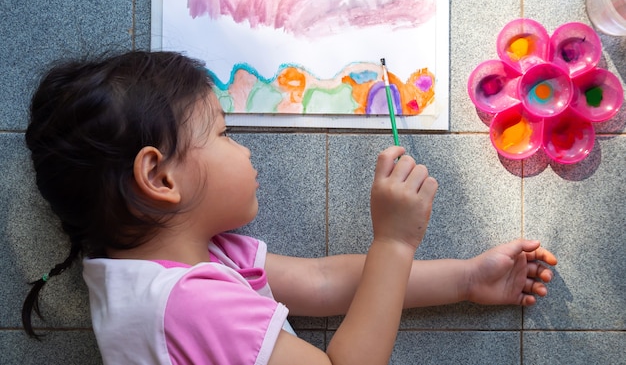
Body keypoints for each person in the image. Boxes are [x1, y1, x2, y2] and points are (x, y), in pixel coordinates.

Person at [22, 51, 557, 365]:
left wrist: (466, 279)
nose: (247, 149)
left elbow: (324, 283)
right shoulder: (189, 307)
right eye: (224, 133)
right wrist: (394, 241)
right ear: (160, 177)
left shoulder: (172, 265)